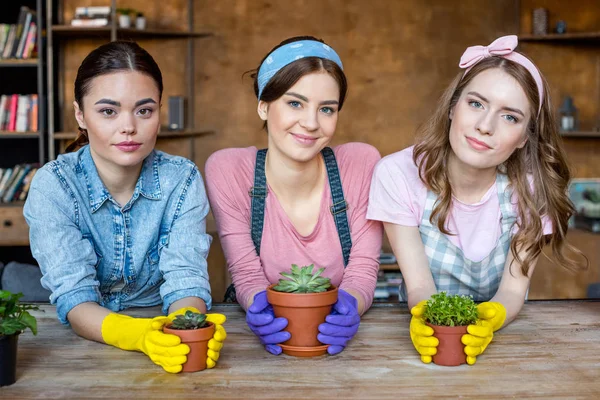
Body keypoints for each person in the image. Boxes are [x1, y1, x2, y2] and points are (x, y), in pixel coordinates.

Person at [367, 35, 585, 365]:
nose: (485, 126)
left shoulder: (531, 190)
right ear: (453, 106)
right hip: (423, 329)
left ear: (525, 137)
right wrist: (431, 320)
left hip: (505, 341)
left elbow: (512, 291)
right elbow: (420, 285)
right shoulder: (396, 174)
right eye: (476, 104)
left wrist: (493, 317)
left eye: (509, 116)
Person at [23, 41, 226, 373]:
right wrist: (135, 335)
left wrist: (186, 329)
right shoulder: (53, 185)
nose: (129, 126)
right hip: (83, 344)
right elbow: (74, 296)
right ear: (80, 114)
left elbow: (186, 277)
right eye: (108, 111)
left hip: (164, 335)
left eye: (144, 110)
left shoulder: (183, 179)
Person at [205, 36, 382, 355]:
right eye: (295, 103)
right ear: (263, 105)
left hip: (339, 347)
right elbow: (246, 273)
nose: (311, 123)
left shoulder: (360, 163)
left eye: (326, 109)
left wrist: (351, 302)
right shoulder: (229, 170)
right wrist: (257, 304)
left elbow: (363, 268)